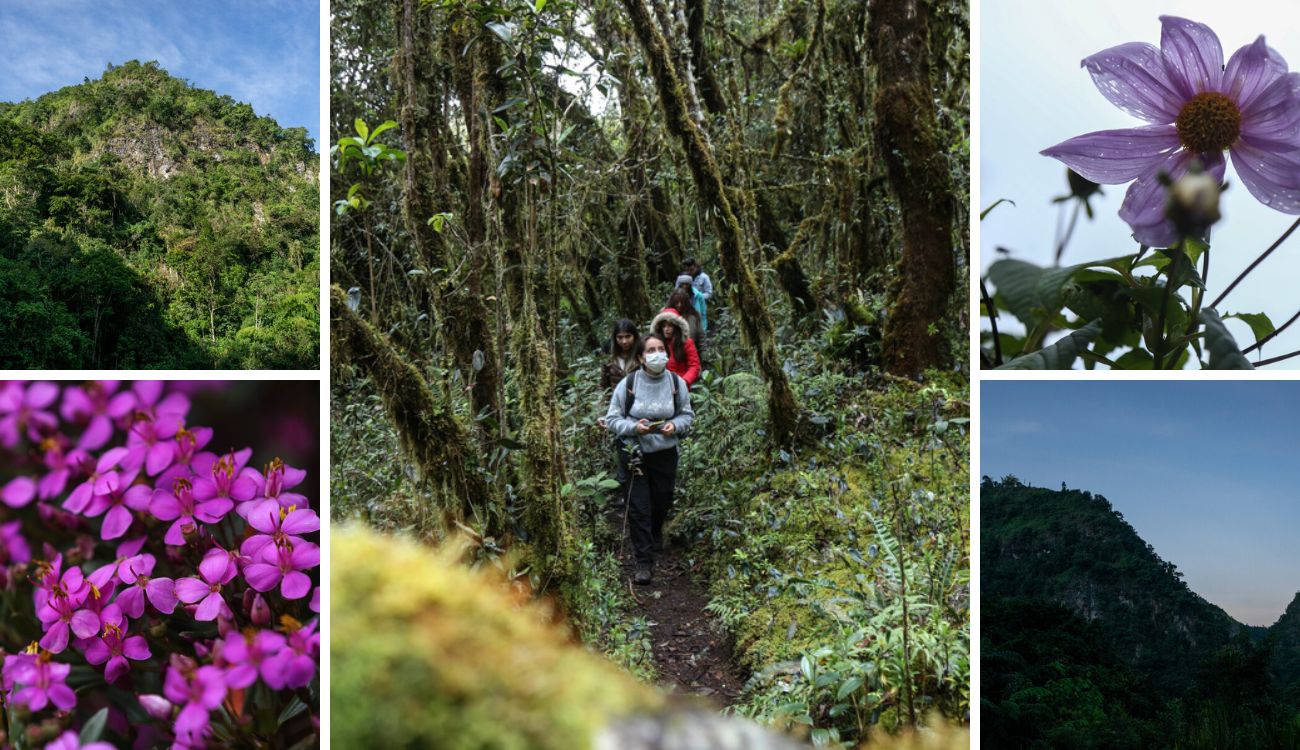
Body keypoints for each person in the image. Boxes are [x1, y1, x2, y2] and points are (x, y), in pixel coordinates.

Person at [605, 334, 693, 584]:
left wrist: (674, 426)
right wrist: (635, 429)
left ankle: (654, 534)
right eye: (651, 350)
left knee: (662, 500)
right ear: (642, 358)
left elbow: (687, 416)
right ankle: (643, 561)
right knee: (639, 507)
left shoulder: (677, 383)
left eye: (660, 349)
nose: (657, 354)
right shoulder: (629, 383)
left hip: (665, 453)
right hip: (634, 453)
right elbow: (612, 420)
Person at [650, 308, 699, 387]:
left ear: (676, 327)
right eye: (664, 326)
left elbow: (694, 366)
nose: (666, 329)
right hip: (660, 384)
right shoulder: (657, 344)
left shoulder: (686, 342)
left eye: (670, 325)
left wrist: (684, 382)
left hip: (681, 383)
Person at [600, 319, 640, 390]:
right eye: (620, 337)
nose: (624, 341)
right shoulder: (609, 358)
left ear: (634, 336)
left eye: (628, 336)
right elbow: (603, 386)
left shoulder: (641, 354)